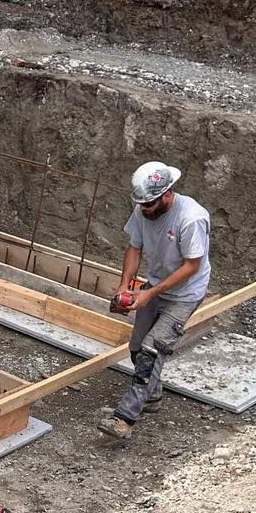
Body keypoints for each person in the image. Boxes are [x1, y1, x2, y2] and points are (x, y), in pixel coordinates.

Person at [97, 161, 211, 440]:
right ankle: (152, 395)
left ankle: (124, 418)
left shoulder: (191, 218)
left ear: (167, 195)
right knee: (136, 348)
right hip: (156, 285)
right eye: (141, 204)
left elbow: (191, 267)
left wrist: (149, 294)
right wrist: (126, 285)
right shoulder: (142, 210)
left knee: (151, 351)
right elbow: (134, 247)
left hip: (184, 294)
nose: (143, 210)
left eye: (149, 205)